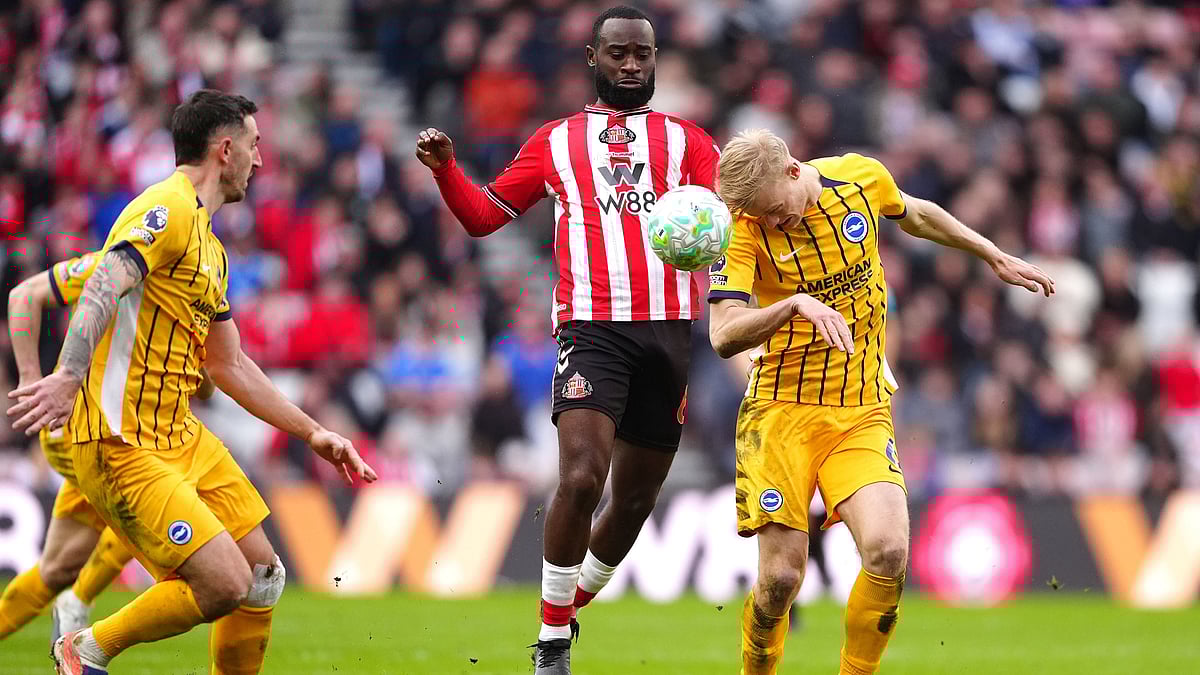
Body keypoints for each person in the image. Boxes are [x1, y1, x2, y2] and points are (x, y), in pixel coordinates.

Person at [7, 89, 377, 675]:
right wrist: (65, 376)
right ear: (225, 150)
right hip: (120, 439)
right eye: (254, 147)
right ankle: (84, 650)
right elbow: (103, 283)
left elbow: (228, 365)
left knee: (262, 577)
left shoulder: (210, 247)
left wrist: (315, 433)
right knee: (224, 582)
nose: (261, 161)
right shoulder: (167, 209)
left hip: (179, 437)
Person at [415, 6, 719, 673]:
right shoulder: (555, 141)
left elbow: (727, 226)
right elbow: (483, 217)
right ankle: (551, 645)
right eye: (618, 53)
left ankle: (568, 604)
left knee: (635, 501)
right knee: (582, 476)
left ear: (657, 57)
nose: (631, 64)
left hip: (668, 336)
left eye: (642, 53)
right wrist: (446, 170)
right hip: (590, 329)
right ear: (593, 58)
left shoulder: (691, 143)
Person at [707, 129, 1054, 675]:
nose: (772, 222)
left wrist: (990, 253)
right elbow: (723, 334)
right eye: (761, 216)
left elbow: (915, 212)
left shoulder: (859, 178)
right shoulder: (743, 228)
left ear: (795, 171)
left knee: (889, 552)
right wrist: (794, 305)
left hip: (860, 409)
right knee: (779, 582)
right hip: (780, 411)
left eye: (776, 210)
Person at [0, 250, 218, 646]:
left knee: (58, 568)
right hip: (85, 428)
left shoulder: (188, 289)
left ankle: (75, 599)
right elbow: (24, 296)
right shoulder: (116, 265)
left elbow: (205, 385)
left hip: (125, 434)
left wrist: (194, 363)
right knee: (153, 498)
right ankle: (81, 603)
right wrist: (31, 378)